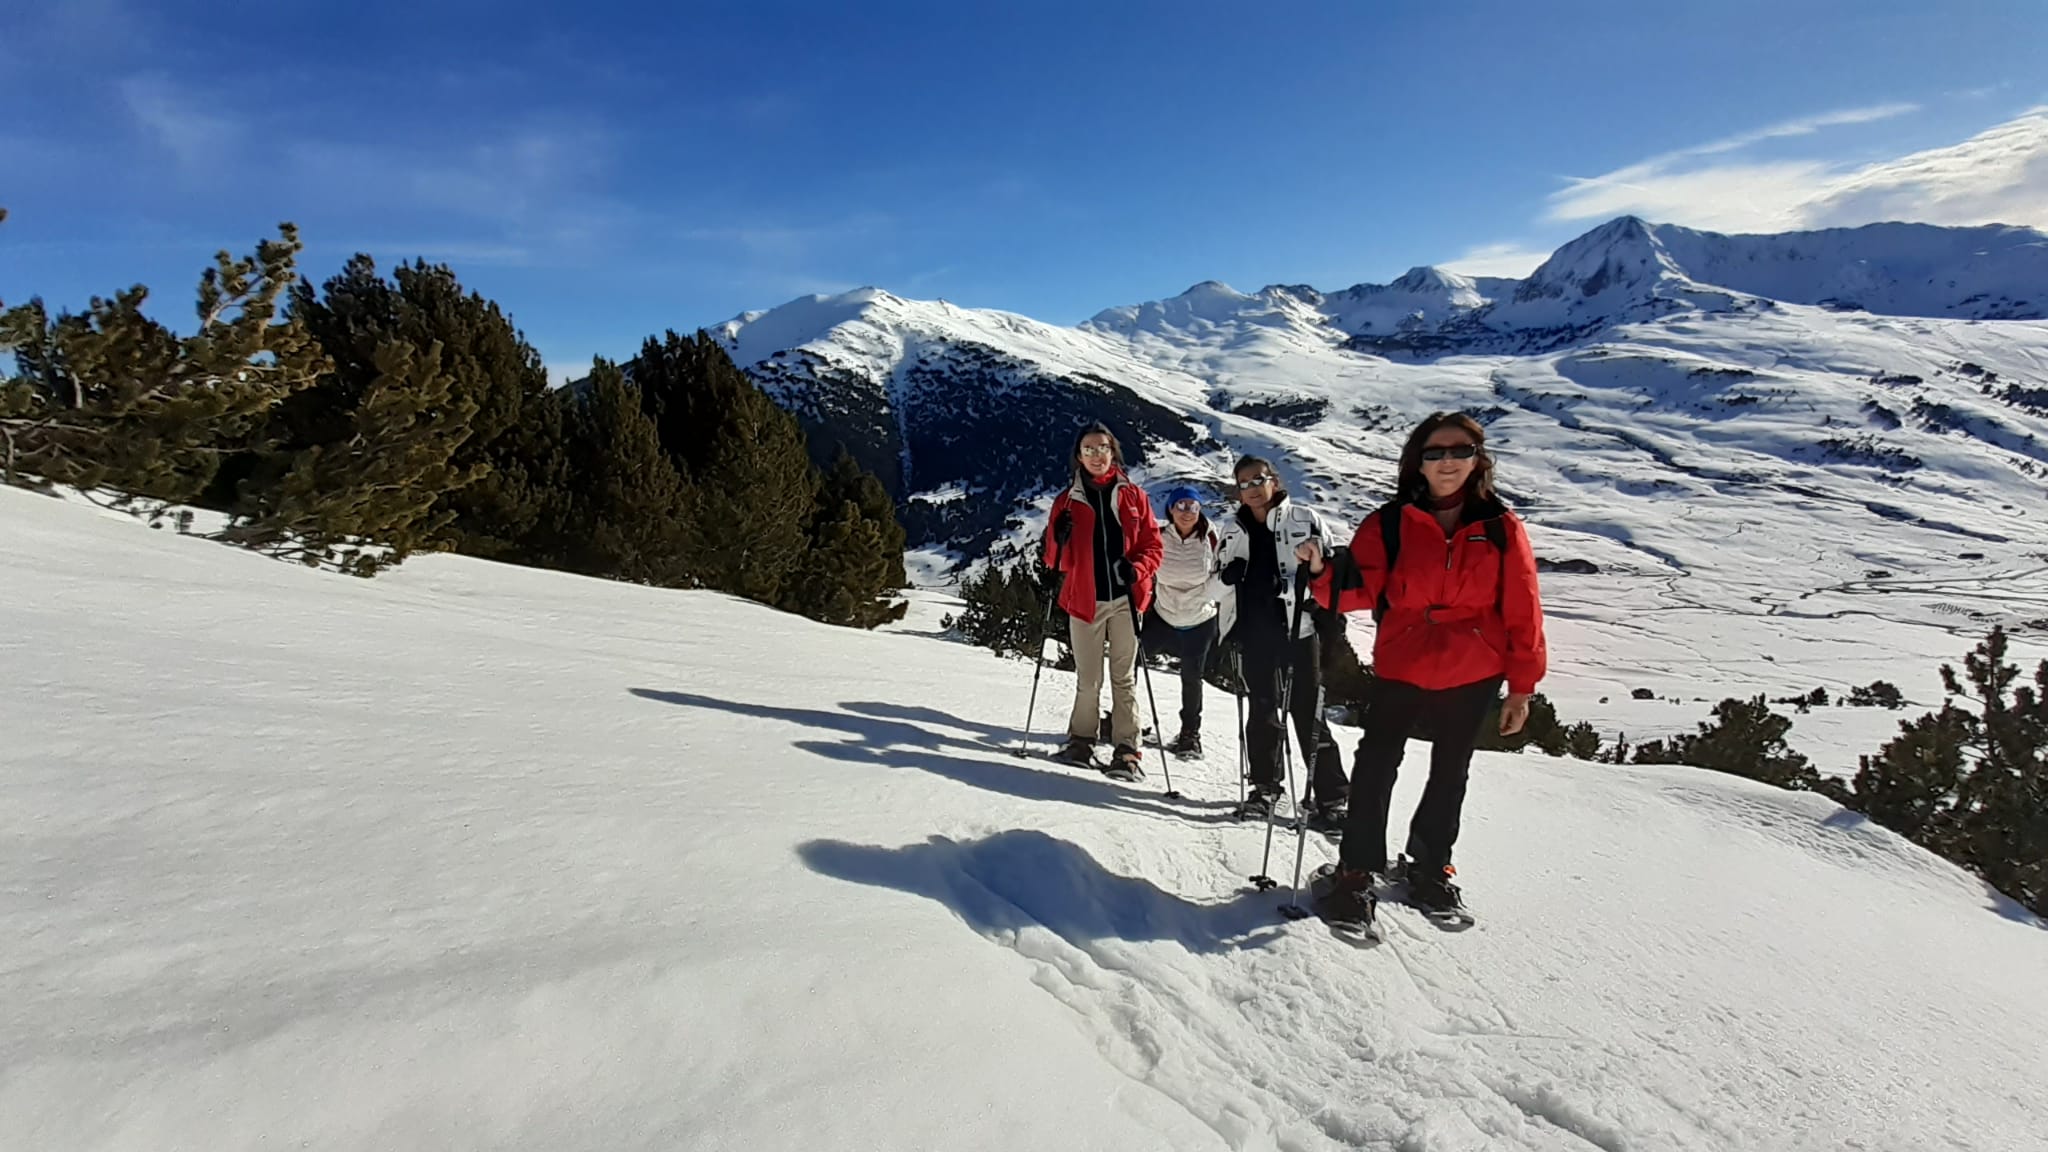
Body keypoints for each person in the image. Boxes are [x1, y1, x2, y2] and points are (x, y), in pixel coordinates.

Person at [1301, 411, 1549, 920]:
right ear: (1418, 462)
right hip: (1404, 660)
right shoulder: (1390, 524)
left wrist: (1522, 686)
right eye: (1435, 452)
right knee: (1375, 767)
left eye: (1460, 451)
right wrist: (1322, 572)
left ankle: (1431, 867)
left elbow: (1524, 606)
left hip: (1474, 666)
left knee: (1450, 771)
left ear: (1479, 459)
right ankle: (1357, 869)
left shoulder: (1502, 529)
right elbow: (1357, 590)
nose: (1448, 462)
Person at [1215, 455, 1349, 825]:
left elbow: (1333, 572)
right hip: (1252, 632)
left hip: (1298, 631)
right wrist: (1228, 579)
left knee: (1308, 712)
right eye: (1243, 484)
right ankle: (1266, 788)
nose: (1252, 489)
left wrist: (1314, 598)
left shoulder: (1304, 520)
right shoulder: (1232, 530)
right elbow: (1212, 585)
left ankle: (1333, 798)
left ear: (1273, 479)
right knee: (1262, 711)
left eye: (1258, 480)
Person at [1041, 422, 1164, 779]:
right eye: (1089, 449)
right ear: (1078, 456)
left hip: (1126, 599)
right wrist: (1057, 537)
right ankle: (1081, 740)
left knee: (1123, 678)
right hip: (1085, 600)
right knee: (1088, 678)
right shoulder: (1066, 503)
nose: (1096, 455)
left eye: (1103, 448)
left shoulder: (1134, 496)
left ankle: (1127, 750)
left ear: (1114, 452)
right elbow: (1055, 561)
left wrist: (1137, 569)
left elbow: (1153, 546)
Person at [1141, 485, 1233, 758]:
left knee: (1192, 678)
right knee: (1129, 662)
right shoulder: (1158, 536)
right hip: (1164, 615)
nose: (1187, 512)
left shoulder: (1212, 538)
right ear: (1170, 508)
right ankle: (1123, 718)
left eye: (1193, 506)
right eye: (1181, 505)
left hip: (1200, 619)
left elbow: (1223, 574)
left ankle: (1190, 735)